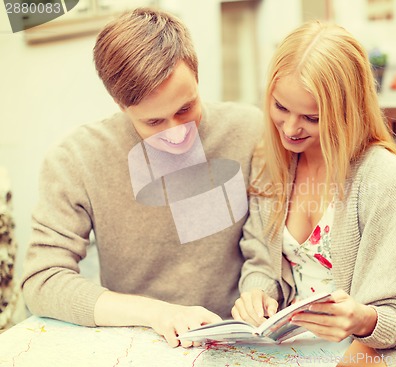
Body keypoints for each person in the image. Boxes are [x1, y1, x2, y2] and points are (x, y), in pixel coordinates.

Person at [231, 20, 396, 366]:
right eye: (281, 108)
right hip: (296, 345)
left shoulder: (382, 179)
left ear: (345, 112)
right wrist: (256, 295)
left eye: (311, 118)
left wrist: (360, 319)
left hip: (379, 349)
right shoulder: (271, 162)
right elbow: (259, 259)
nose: (289, 128)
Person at [21, 7, 262, 348]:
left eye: (185, 109)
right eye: (154, 122)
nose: (177, 134)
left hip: (237, 340)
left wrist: (258, 296)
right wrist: (157, 314)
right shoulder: (76, 159)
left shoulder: (249, 131)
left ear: (197, 76)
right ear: (120, 104)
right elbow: (42, 279)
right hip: (139, 342)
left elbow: (267, 247)